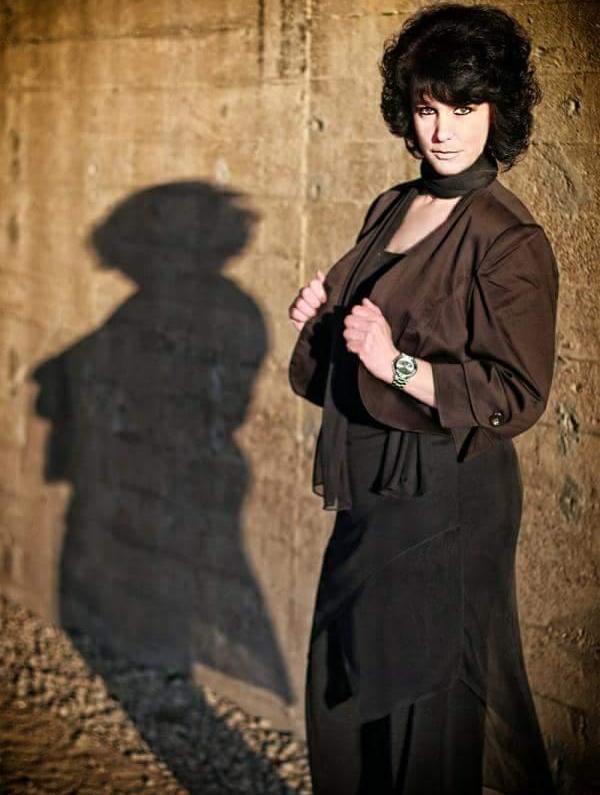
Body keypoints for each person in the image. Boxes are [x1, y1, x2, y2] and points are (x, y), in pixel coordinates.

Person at [287, 3, 560, 794]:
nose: (443, 131)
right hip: (373, 491)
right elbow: (356, 347)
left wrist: (398, 364)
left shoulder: (508, 237)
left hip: (447, 496)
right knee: (343, 699)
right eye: (428, 108)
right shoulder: (392, 206)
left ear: (498, 111)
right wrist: (322, 320)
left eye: (464, 109)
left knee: (424, 718)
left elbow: (517, 392)